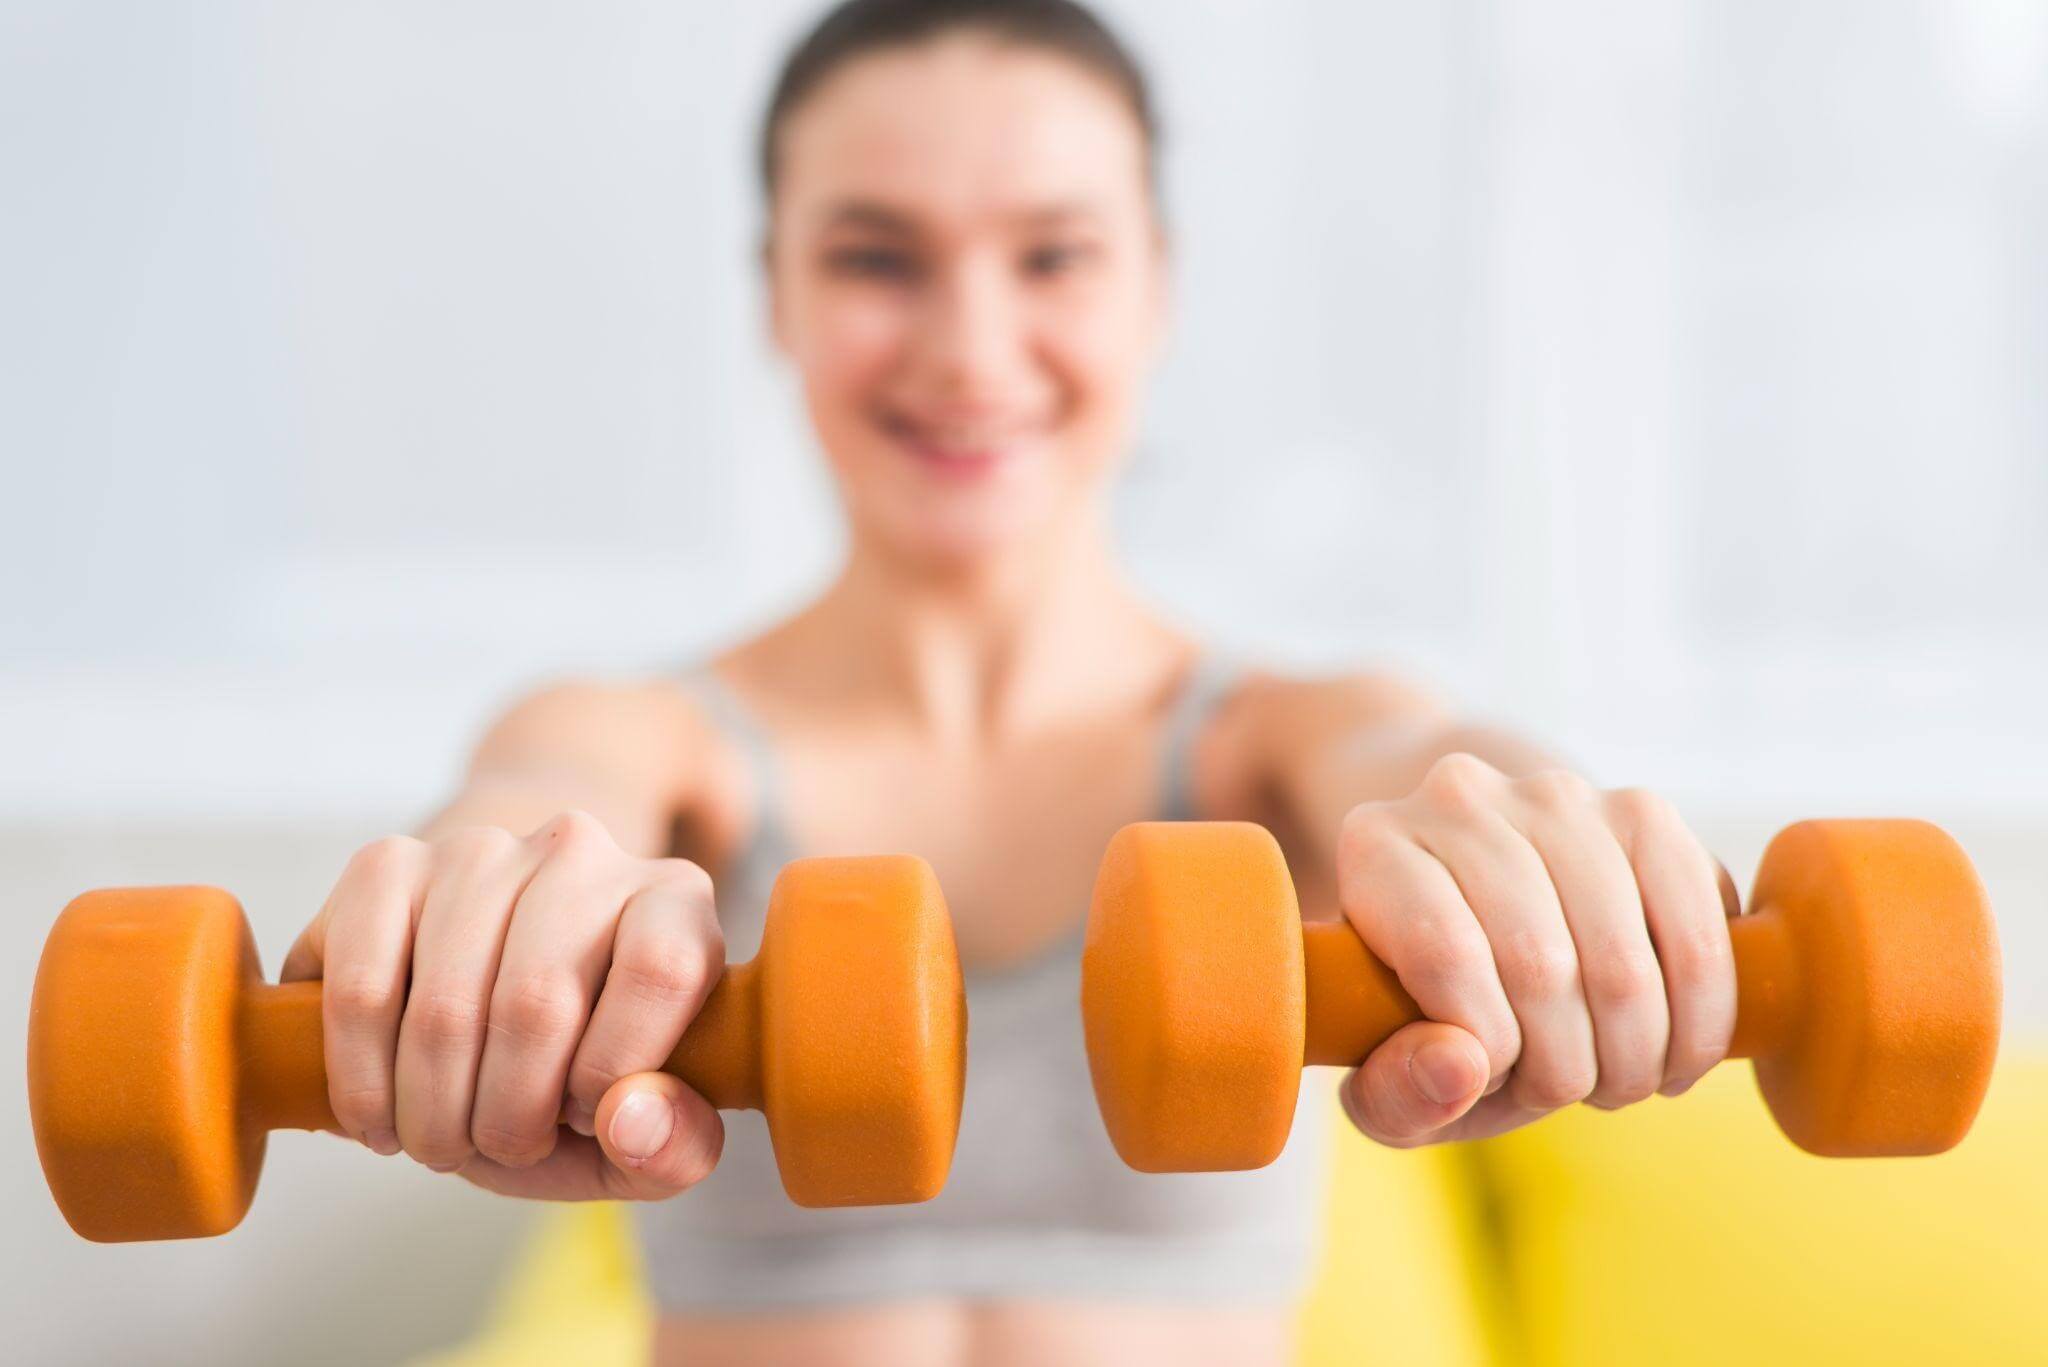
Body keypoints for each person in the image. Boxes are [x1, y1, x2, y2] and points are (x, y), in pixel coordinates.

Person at [281, 2, 1738, 1362]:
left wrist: (1519, 839)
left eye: (1053, 257)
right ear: (775, 296)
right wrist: (485, 907)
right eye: (875, 257)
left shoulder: (1278, 744)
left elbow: (1412, 752)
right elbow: (543, 797)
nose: (972, 351)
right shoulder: (637, 740)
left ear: (1155, 293)